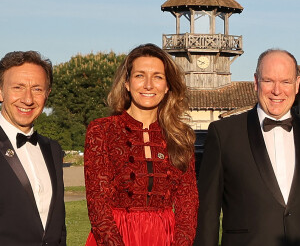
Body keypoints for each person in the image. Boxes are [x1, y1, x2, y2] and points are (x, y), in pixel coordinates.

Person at [84, 43, 198, 246]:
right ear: (126, 83)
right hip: (115, 237)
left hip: (165, 238)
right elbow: (97, 203)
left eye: (157, 77)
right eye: (139, 76)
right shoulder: (102, 131)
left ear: (168, 85)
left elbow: (187, 203)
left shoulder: (181, 136)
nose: (148, 85)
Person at [194, 49, 300, 246]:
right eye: (268, 81)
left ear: (297, 84)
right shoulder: (223, 134)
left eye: (286, 82)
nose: (277, 90)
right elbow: (207, 213)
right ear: (256, 82)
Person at [0, 51, 66, 246]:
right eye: (18, 87)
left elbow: (58, 226)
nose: (27, 99)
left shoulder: (52, 149)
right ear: (1, 91)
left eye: (37, 89)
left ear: (48, 93)